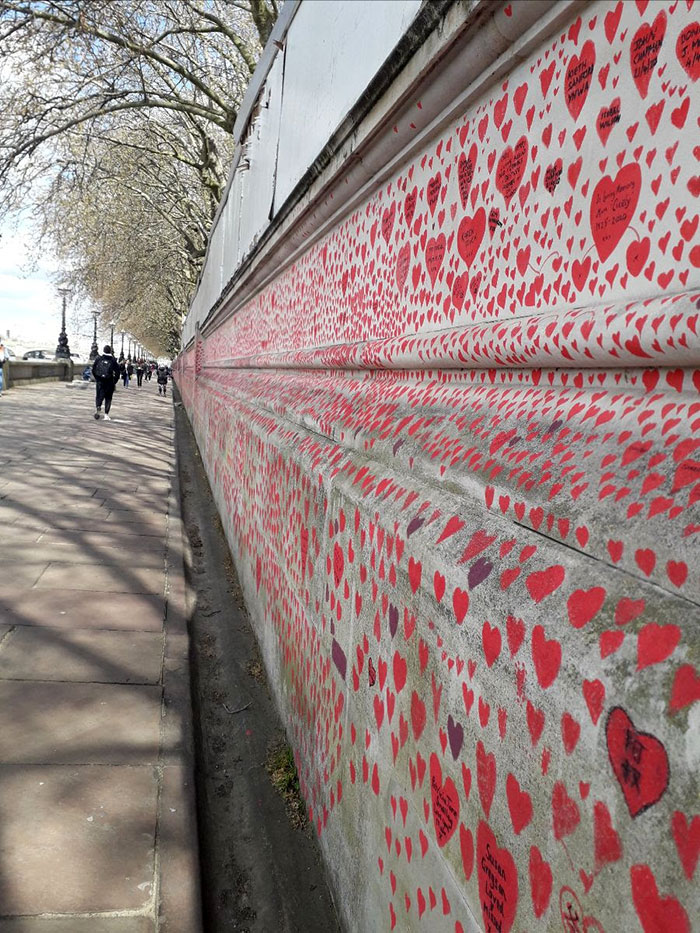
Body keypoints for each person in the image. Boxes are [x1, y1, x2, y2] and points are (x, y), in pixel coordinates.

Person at [92, 344, 120, 420]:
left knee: (99, 396)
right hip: (109, 382)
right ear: (110, 351)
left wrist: (97, 378)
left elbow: (93, 370)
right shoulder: (113, 360)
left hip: (100, 381)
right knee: (108, 398)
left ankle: (98, 406)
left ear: (103, 350)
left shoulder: (98, 359)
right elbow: (117, 372)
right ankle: (106, 414)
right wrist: (114, 381)